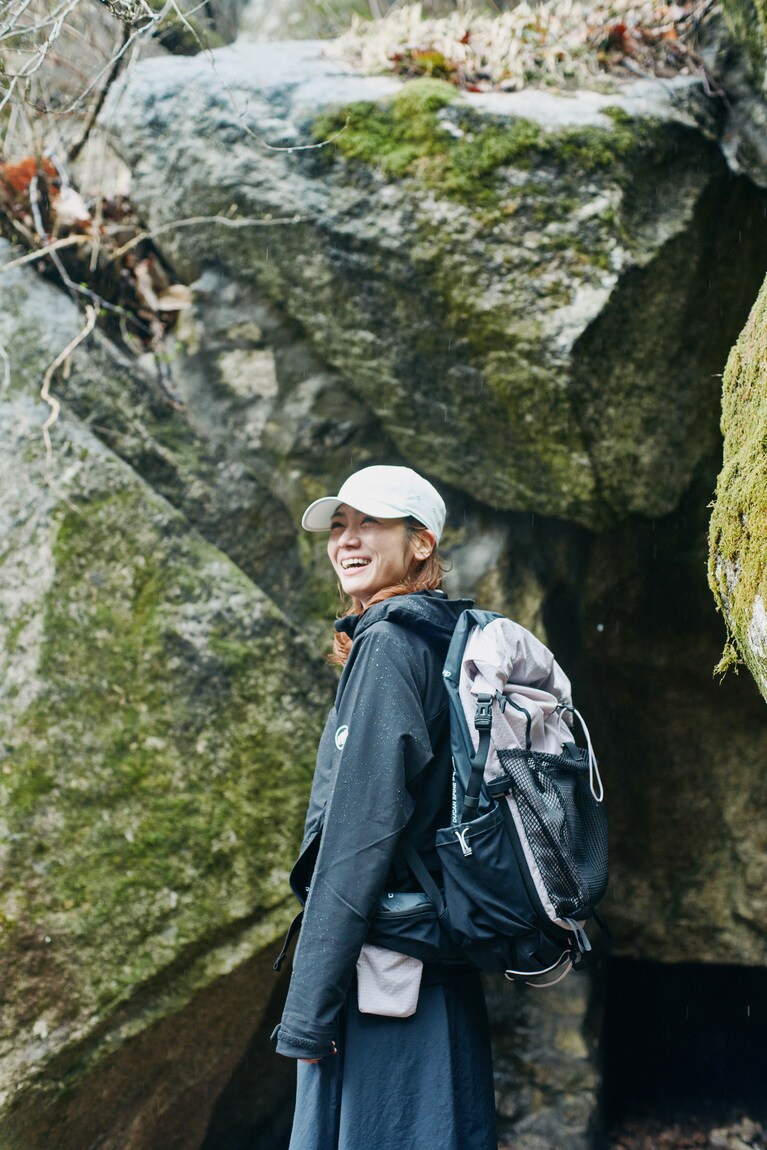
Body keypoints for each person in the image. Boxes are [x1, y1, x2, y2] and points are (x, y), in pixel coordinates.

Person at [272, 465, 498, 1150]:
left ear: (421, 542)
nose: (346, 539)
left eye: (368, 522)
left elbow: (357, 837)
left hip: (385, 991)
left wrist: (309, 1012)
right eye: (338, 526)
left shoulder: (390, 646)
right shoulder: (445, 639)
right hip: (438, 971)